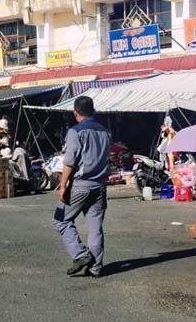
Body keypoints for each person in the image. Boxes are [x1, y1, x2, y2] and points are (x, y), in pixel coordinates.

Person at [54, 96, 111, 278]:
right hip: (100, 186)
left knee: (61, 220)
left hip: (80, 185)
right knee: (95, 227)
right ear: (93, 111)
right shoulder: (105, 131)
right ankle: (96, 267)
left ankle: (80, 255)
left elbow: (69, 162)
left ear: (75, 113)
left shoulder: (75, 132)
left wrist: (62, 186)